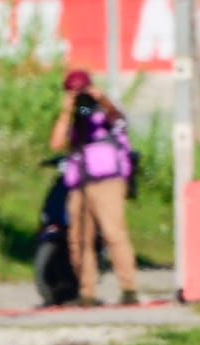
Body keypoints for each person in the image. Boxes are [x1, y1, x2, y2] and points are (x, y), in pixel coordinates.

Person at [48, 69, 137, 307]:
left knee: (113, 233)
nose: (79, 96)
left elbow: (118, 120)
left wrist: (100, 98)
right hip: (79, 184)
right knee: (79, 239)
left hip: (107, 180)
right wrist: (67, 110)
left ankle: (128, 289)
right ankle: (86, 292)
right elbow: (56, 143)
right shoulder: (76, 116)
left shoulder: (99, 112)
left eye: (82, 90)